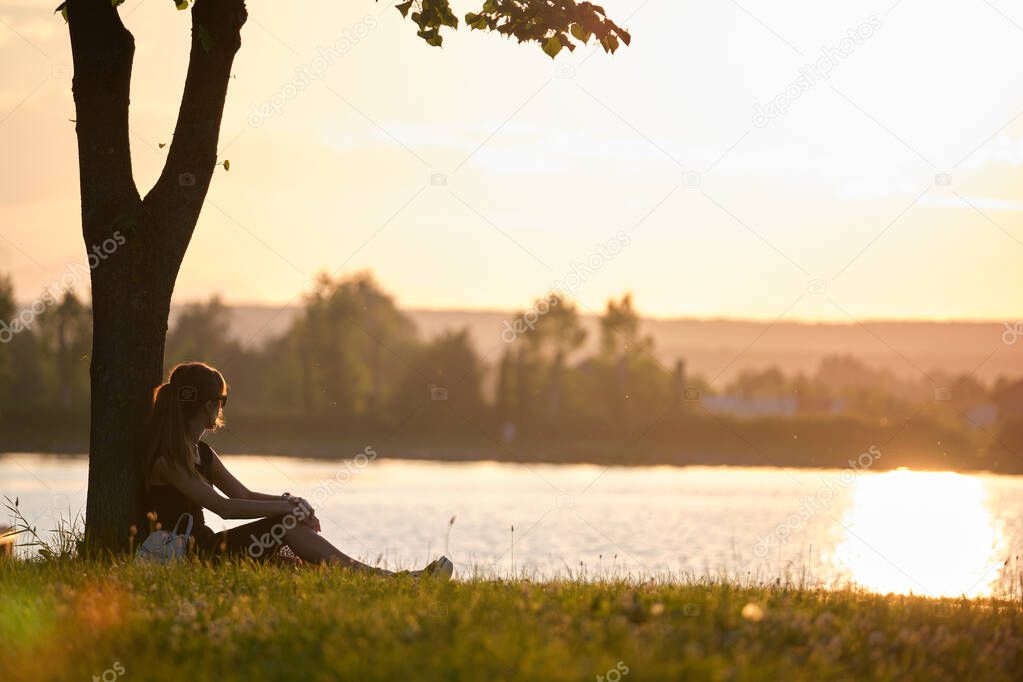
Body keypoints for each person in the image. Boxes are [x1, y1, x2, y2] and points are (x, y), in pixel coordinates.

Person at [137, 361, 452, 578]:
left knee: (289, 538)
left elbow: (243, 494)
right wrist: (290, 510)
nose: (222, 408)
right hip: (193, 557)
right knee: (285, 527)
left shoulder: (201, 454)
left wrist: (290, 503)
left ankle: (389, 578)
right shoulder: (169, 461)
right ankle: (390, 579)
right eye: (222, 400)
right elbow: (225, 508)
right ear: (209, 406)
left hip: (206, 550)